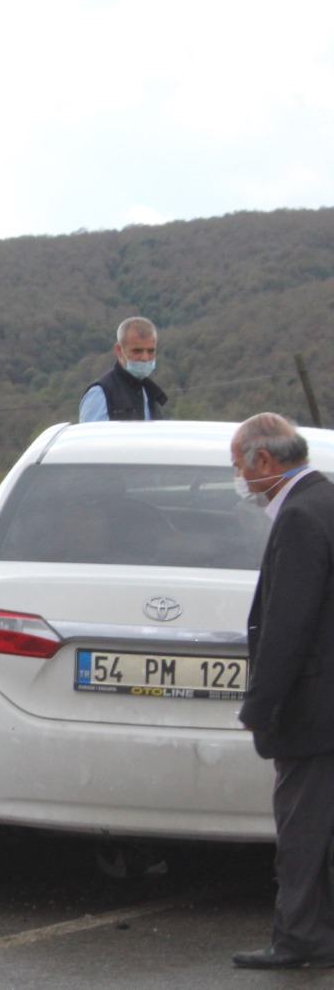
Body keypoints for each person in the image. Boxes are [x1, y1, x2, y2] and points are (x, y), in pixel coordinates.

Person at [230, 413, 334, 969]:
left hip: (312, 705)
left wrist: (260, 704)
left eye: (240, 471)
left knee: (302, 828)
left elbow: (287, 624)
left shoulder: (298, 516)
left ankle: (298, 937)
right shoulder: (326, 500)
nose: (242, 484)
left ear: (264, 462)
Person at [79, 316, 166, 422]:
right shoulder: (100, 394)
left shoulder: (149, 392)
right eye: (137, 351)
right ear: (119, 350)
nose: (145, 358)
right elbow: (92, 437)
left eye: (151, 351)